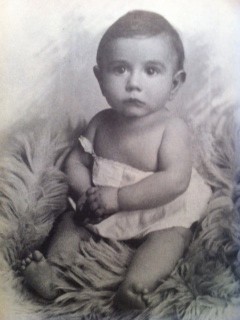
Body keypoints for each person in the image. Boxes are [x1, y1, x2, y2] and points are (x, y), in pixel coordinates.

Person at [21, 10, 212, 310]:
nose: (133, 83)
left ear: (174, 84)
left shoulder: (172, 129)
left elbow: (175, 180)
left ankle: (136, 284)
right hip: (103, 208)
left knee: (173, 238)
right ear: (100, 77)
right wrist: (86, 193)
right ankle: (53, 272)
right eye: (120, 69)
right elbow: (76, 161)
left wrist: (120, 198)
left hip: (159, 210)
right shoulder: (100, 122)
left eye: (151, 71)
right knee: (71, 221)